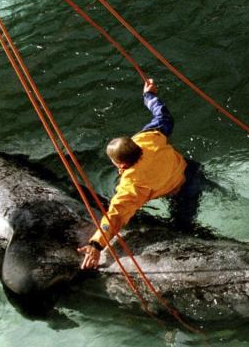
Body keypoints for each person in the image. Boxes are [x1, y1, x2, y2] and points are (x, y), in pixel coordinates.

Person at [78, 77, 206, 270]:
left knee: (182, 229)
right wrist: (149, 95)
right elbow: (164, 117)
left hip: (182, 190)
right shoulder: (148, 138)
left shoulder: (132, 184)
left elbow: (116, 216)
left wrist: (96, 244)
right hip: (192, 170)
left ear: (120, 163)